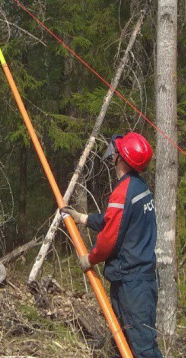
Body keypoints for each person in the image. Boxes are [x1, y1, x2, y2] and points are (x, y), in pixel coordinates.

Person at [61, 132, 163, 358]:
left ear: (121, 159)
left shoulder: (124, 190)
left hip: (132, 283)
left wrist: (91, 258)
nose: (112, 155)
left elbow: (110, 238)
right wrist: (83, 218)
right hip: (134, 279)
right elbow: (116, 221)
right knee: (121, 345)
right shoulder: (139, 188)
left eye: (116, 152)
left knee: (143, 349)